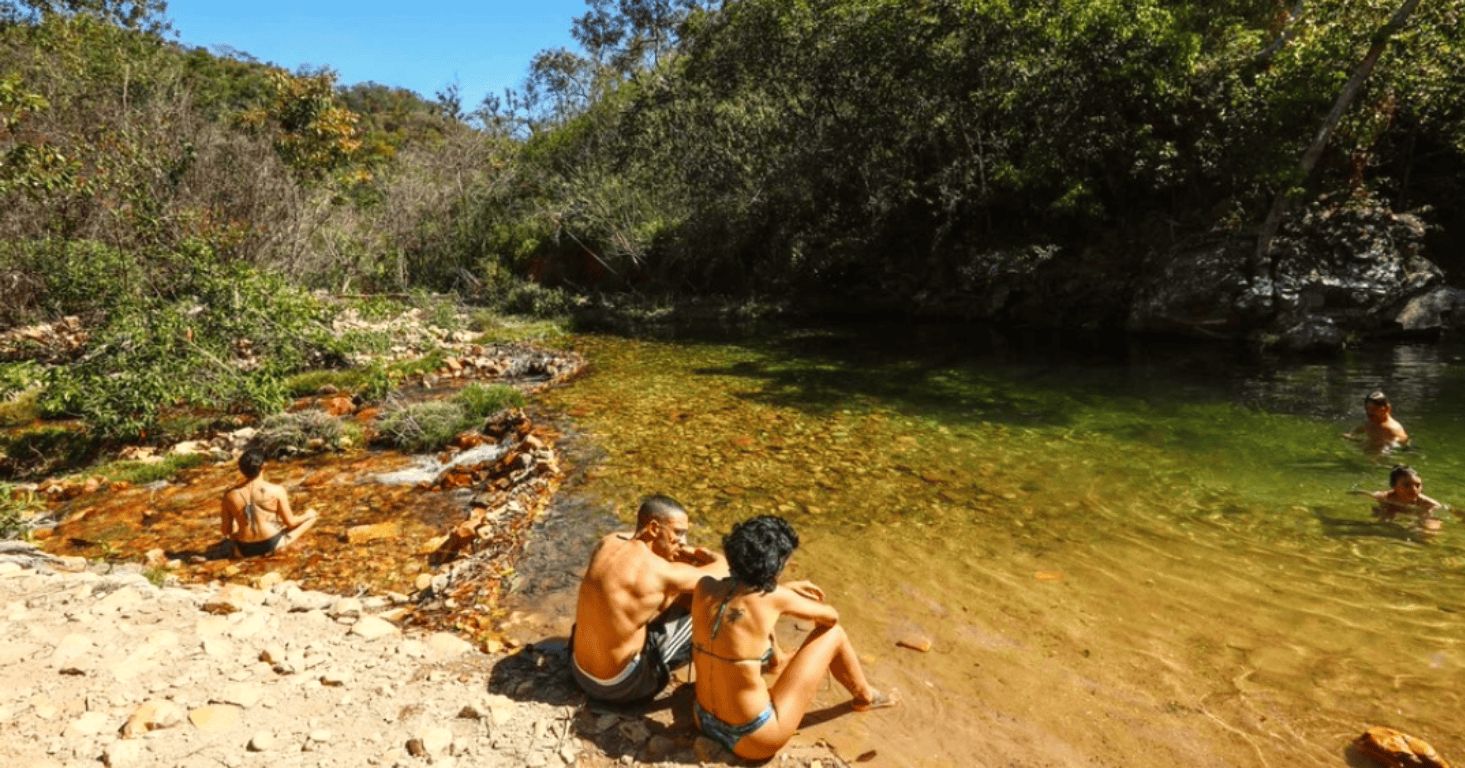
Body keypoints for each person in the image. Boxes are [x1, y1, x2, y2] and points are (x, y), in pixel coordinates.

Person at [690, 515, 895, 760]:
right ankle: (866, 697)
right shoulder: (774, 598)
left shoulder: (704, 587)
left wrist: (782, 593)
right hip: (753, 739)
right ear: (775, 564)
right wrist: (785, 596)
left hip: (702, 719)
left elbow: (742, 604)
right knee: (834, 634)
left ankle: (778, 663)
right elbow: (830, 617)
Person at [570, 494, 727, 705]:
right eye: (678, 533)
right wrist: (701, 553)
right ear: (653, 528)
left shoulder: (607, 542)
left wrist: (670, 549)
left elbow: (637, 543)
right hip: (621, 688)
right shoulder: (657, 571)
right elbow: (723, 572)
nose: (683, 542)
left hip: (578, 671)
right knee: (707, 602)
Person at [220, 448, 317, 558]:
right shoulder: (277, 490)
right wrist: (307, 515)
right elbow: (291, 523)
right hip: (272, 544)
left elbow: (226, 531)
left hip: (243, 549)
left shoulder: (229, 495)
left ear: (242, 469)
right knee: (313, 518)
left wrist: (238, 525)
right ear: (262, 467)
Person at [1351, 464, 1444, 532]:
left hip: (1414, 513)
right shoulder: (1384, 497)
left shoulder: (1427, 504)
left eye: (1418, 485)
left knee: (1429, 530)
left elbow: (1437, 511)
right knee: (1381, 521)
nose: (1414, 489)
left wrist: (1426, 519)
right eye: (1406, 485)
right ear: (1394, 486)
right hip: (1391, 508)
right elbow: (1366, 496)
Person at [1343, 391, 1409, 453]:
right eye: (1367, 409)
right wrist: (1352, 434)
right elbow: (1365, 427)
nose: (1369, 413)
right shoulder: (1374, 419)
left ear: (1386, 409)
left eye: (1374, 409)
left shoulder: (1393, 429)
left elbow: (1401, 444)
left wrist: (1366, 444)